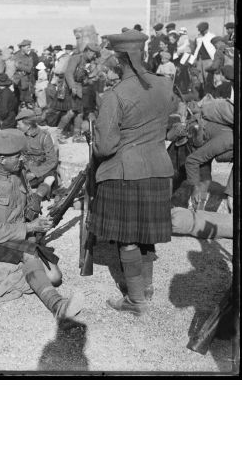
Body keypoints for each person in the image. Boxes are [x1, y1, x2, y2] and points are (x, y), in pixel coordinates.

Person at [90, 30, 176, 315]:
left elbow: (105, 147)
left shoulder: (114, 96)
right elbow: (175, 120)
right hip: (160, 169)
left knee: (127, 236)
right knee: (145, 233)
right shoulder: (164, 85)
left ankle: (135, 300)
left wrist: (94, 133)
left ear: (119, 60)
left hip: (125, 173)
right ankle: (147, 289)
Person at [0, 128, 84, 320]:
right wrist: (31, 228)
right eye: (17, 156)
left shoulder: (18, 172)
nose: (22, 159)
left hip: (18, 233)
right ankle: (57, 306)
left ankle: (31, 272)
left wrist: (38, 209)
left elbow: (27, 200)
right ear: (2, 159)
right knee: (34, 258)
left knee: (55, 277)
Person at [184, 97, 233, 210]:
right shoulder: (226, 141)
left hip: (214, 138)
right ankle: (194, 213)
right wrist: (195, 186)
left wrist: (231, 195)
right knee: (203, 181)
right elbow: (192, 160)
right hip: (199, 134)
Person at [57, 43, 100, 143]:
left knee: (80, 113)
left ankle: (76, 136)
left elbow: (83, 79)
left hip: (78, 89)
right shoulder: (76, 58)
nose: (94, 56)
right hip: (69, 88)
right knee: (71, 112)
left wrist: (90, 79)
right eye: (93, 53)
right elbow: (68, 73)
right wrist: (72, 87)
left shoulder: (87, 62)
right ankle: (57, 134)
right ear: (88, 51)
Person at [15, 108, 59, 191]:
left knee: (49, 177)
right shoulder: (21, 136)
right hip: (26, 168)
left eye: (19, 125)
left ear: (28, 126)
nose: (17, 126)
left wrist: (34, 173)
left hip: (41, 170)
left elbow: (52, 161)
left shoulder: (44, 137)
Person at [193, 22, 216, 98]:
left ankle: (210, 96)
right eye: (200, 30)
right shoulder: (198, 38)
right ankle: (203, 96)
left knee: (208, 79)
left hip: (209, 60)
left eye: (202, 30)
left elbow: (214, 49)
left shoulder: (212, 36)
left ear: (206, 29)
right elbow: (196, 49)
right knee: (201, 79)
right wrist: (194, 60)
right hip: (200, 60)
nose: (200, 32)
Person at [13, 39, 35, 106]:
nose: (29, 49)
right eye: (27, 47)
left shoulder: (29, 57)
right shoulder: (15, 56)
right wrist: (23, 67)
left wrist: (19, 66)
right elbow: (12, 67)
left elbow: (29, 69)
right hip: (15, 81)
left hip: (24, 81)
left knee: (25, 99)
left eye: (29, 47)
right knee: (15, 100)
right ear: (22, 47)